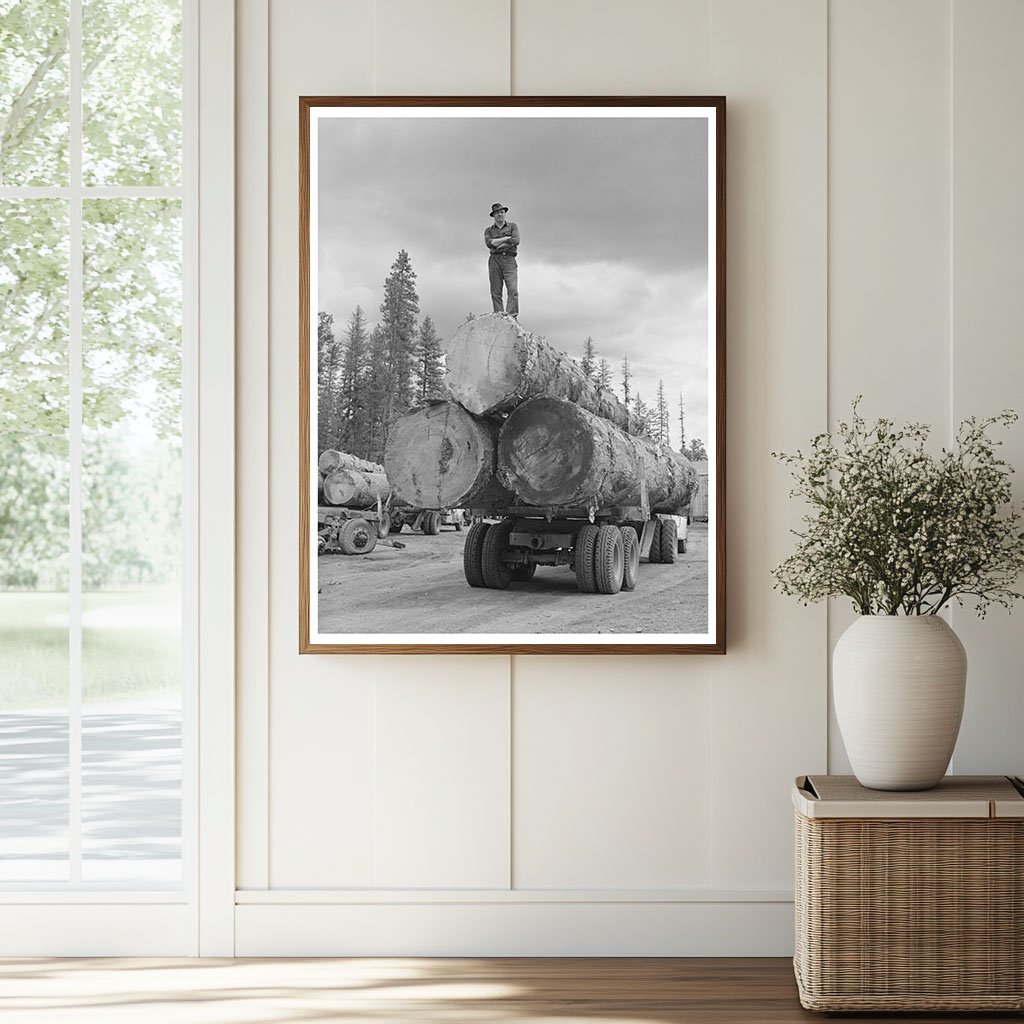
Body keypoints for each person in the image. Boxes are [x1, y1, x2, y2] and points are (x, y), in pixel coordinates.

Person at [484, 202, 519, 318]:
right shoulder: (488, 231)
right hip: (494, 260)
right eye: (497, 213)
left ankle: (511, 316)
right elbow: (490, 243)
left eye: (502, 212)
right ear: (493, 215)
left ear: (505, 214)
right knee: (495, 291)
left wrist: (498, 243)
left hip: (509, 259)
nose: (500, 214)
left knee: (513, 290)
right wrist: (507, 239)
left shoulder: (512, 226)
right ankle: (499, 317)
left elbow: (516, 240)